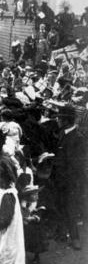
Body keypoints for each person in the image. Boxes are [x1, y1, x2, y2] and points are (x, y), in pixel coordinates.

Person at [50, 105, 87, 250]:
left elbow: (75, 163)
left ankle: (75, 238)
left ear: (66, 120)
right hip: (61, 178)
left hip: (70, 181)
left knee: (70, 208)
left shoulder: (77, 137)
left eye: (60, 118)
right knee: (61, 206)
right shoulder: (64, 134)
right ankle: (62, 233)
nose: (57, 120)